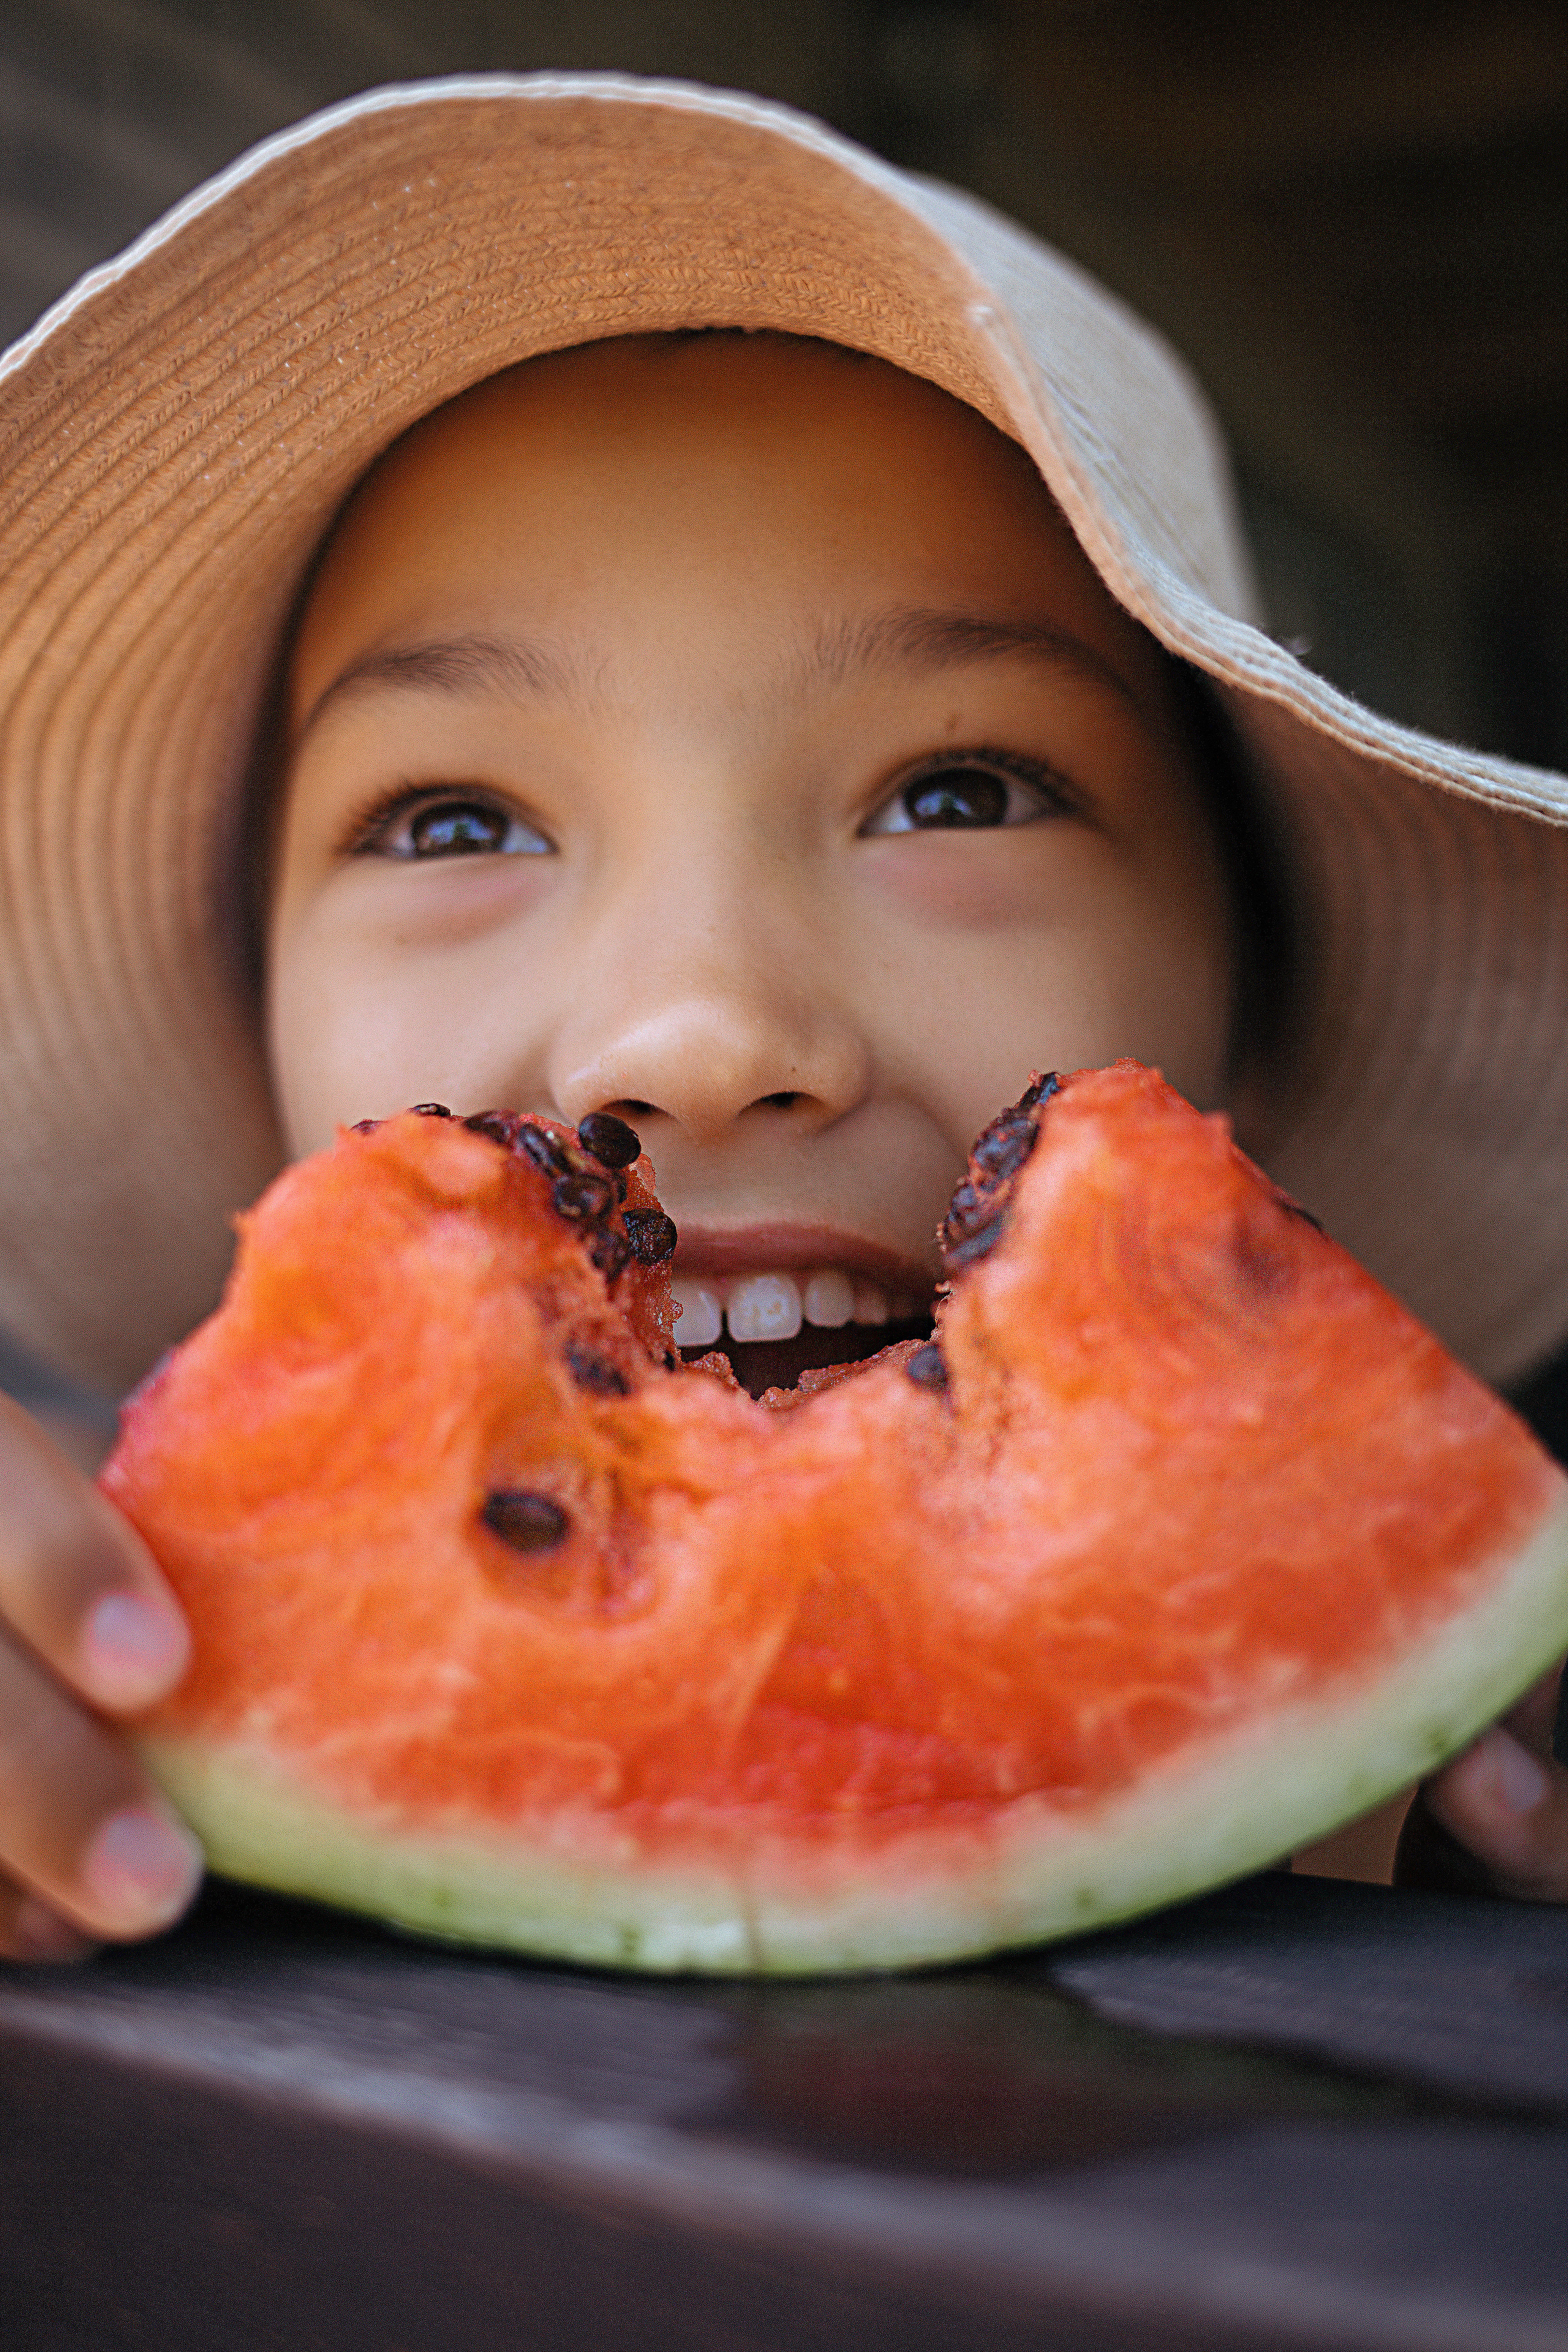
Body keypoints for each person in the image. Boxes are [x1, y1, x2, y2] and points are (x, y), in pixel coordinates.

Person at [0, 75, 1562, 1964]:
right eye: (455, 822)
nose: (699, 1033)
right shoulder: (80, 1686)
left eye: (958, 790)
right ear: (252, 1019)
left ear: (1260, 985)